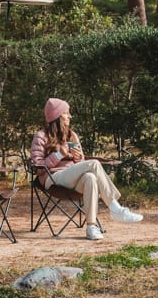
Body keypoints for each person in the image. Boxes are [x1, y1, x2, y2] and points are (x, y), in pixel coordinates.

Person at [30, 97, 142, 240]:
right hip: (52, 178)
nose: (70, 116)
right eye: (66, 113)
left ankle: (91, 227)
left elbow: (81, 163)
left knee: (90, 178)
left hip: (72, 178)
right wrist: (59, 154)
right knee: (94, 163)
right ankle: (115, 208)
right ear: (57, 116)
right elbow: (38, 167)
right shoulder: (41, 136)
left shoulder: (72, 135)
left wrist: (77, 158)